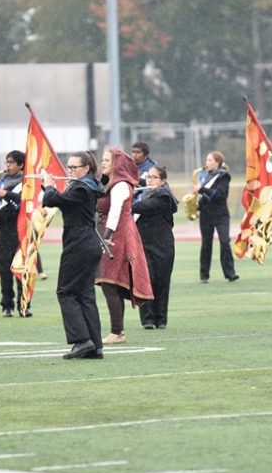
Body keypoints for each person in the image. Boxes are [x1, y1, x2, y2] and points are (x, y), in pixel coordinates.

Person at [42, 151, 105, 359]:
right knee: (85, 294)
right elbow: (62, 201)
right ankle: (95, 345)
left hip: (79, 245)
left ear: (86, 168)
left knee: (66, 292)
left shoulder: (81, 187)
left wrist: (49, 185)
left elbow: (52, 200)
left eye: (74, 167)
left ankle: (81, 340)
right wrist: (51, 188)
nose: (69, 171)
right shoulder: (89, 186)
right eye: (68, 167)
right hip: (88, 243)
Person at [96, 148, 153, 345]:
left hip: (118, 235)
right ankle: (117, 330)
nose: (102, 163)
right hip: (112, 233)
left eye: (107, 160)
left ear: (117, 164)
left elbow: (115, 212)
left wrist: (107, 236)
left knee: (109, 282)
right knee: (110, 283)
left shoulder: (120, 185)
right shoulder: (109, 183)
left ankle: (117, 332)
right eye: (102, 160)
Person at [132, 165, 178, 329]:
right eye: (148, 177)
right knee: (146, 279)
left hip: (163, 245)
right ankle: (148, 319)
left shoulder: (164, 195)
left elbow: (144, 207)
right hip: (144, 244)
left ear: (163, 180)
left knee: (162, 281)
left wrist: (126, 202)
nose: (150, 180)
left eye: (154, 177)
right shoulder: (142, 193)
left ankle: (161, 319)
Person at [0, 150, 27, 317]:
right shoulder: (2, 180)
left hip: (20, 230)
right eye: (7, 162)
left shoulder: (26, 181)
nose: (8, 166)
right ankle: (7, 304)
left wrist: (4, 194)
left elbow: (24, 201)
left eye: (12, 163)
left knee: (21, 269)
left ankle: (24, 304)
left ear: (20, 165)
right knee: (4, 270)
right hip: (4, 231)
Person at [195, 151, 239, 283]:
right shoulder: (204, 176)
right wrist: (197, 203)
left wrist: (201, 189)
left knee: (225, 241)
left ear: (217, 162)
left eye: (209, 160)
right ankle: (204, 275)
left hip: (221, 214)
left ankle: (230, 273)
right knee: (206, 244)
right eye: (206, 160)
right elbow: (205, 196)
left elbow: (220, 194)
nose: (206, 163)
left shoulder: (223, 176)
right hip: (206, 214)